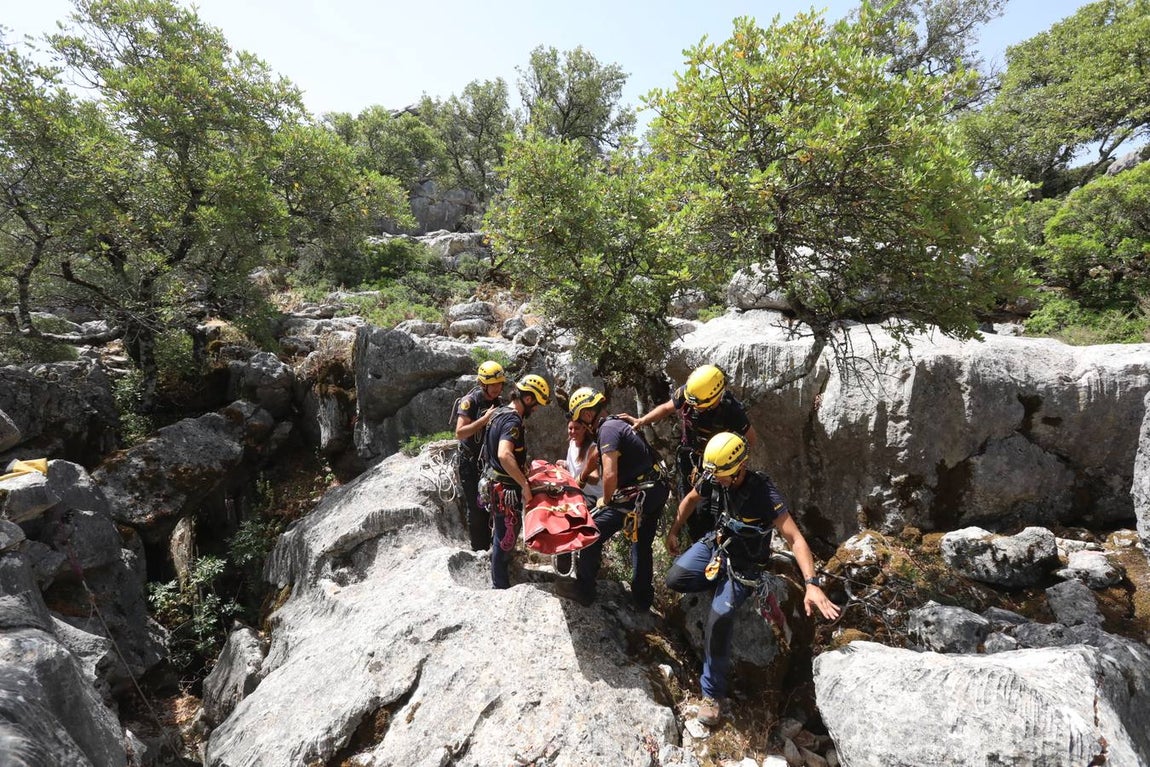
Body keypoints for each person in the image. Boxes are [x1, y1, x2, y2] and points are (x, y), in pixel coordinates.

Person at [664, 431, 839, 726]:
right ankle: (718, 580)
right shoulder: (714, 476)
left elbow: (794, 538)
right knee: (675, 578)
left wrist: (812, 584)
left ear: (739, 469)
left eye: (721, 475)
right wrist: (673, 530)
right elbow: (692, 498)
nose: (715, 480)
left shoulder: (763, 492)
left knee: (719, 617)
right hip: (717, 545)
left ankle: (712, 695)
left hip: (746, 563)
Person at [559, 387, 670, 610]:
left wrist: (606, 500)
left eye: (581, 418)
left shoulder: (607, 430)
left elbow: (609, 474)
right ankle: (642, 600)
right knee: (642, 543)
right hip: (654, 488)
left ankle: (584, 591)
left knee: (590, 532)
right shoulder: (616, 424)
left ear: (588, 415)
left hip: (639, 493)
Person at [620, 364, 757, 542]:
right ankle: (694, 544)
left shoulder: (731, 410)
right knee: (688, 503)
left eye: (699, 405)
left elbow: (750, 439)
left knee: (707, 510)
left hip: (715, 465)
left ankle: (710, 548)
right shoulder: (690, 394)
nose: (694, 407)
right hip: (689, 459)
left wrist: (731, 464)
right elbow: (667, 408)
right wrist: (642, 421)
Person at [482, 373, 551, 589]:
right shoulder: (513, 420)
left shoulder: (499, 412)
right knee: (506, 537)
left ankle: (500, 575)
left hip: (494, 483)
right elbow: (504, 454)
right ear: (528, 399)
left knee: (501, 533)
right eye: (536, 404)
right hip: (506, 489)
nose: (536, 409)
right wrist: (524, 483)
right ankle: (500, 586)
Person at [452, 360, 506, 551]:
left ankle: (493, 548)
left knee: (492, 507)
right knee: (475, 509)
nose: (497, 388)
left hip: (489, 464)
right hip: (469, 463)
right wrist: (483, 420)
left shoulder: (500, 403)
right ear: (483, 384)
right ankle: (478, 549)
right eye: (494, 385)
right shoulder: (470, 402)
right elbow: (460, 432)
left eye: (500, 384)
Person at [554, 417, 602, 576]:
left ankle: (576, 571)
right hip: (577, 495)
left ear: (585, 430)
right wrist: (565, 465)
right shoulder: (572, 444)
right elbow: (574, 466)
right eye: (570, 428)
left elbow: (595, 477)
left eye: (576, 428)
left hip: (592, 498)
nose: (572, 432)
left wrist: (583, 476)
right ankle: (564, 568)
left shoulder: (592, 449)